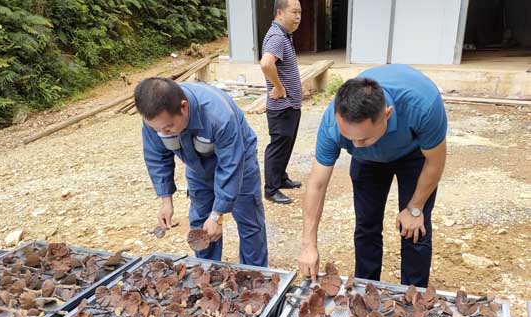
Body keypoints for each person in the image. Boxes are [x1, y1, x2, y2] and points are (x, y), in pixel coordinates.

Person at [298, 64, 448, 287]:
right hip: (368, 162)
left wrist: (415, 208)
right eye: (348, 138)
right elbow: (317, 184)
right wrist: (308, 244)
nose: (355, 144)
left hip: (414, 154)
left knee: (415, 229)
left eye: (363, 138)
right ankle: (367, 292)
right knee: (366, 226)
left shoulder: (422, 105)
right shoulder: (333, 124)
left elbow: (435, 162)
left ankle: (414, 296)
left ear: (387, 114)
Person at [134, 77, 268, 267]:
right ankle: (207, 273)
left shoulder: (218, 116)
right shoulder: (156, 121)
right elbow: (157, 157)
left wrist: (217, 215)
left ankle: (256, 274)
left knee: (249, 221)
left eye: (168, 128)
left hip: (239, 160)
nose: (164, 132)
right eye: (159, 130)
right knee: (200, 223)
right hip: (198, 166)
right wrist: (166, 200)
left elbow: (230, 165)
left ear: (183, 107)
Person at [260, 0, 303, 205]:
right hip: (282, 106)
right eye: (294, 12)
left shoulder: (284, 35)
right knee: (278, 146)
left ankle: (281, 178)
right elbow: (266, 64)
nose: (298, 16)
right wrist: (278, 87)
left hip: (290, 105)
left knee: (287, 144)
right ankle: (271, 189)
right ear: (279, 13)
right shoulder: (277, 36)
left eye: (300, 12)